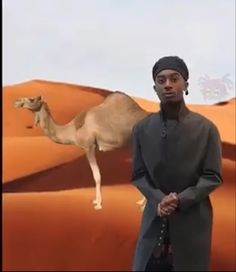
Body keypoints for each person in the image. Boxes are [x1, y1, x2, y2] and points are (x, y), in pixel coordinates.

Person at [131, 56, 223, 271]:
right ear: (155, 88)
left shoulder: (206, 128)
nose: (168, 85)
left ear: (186, 85)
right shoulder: (141, 129)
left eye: (174, 79)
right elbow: (138, 174)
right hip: (154, 218)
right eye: (161, 81)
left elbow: (212, 176)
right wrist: (159, 200)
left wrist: (179, 200)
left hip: (192, 222)